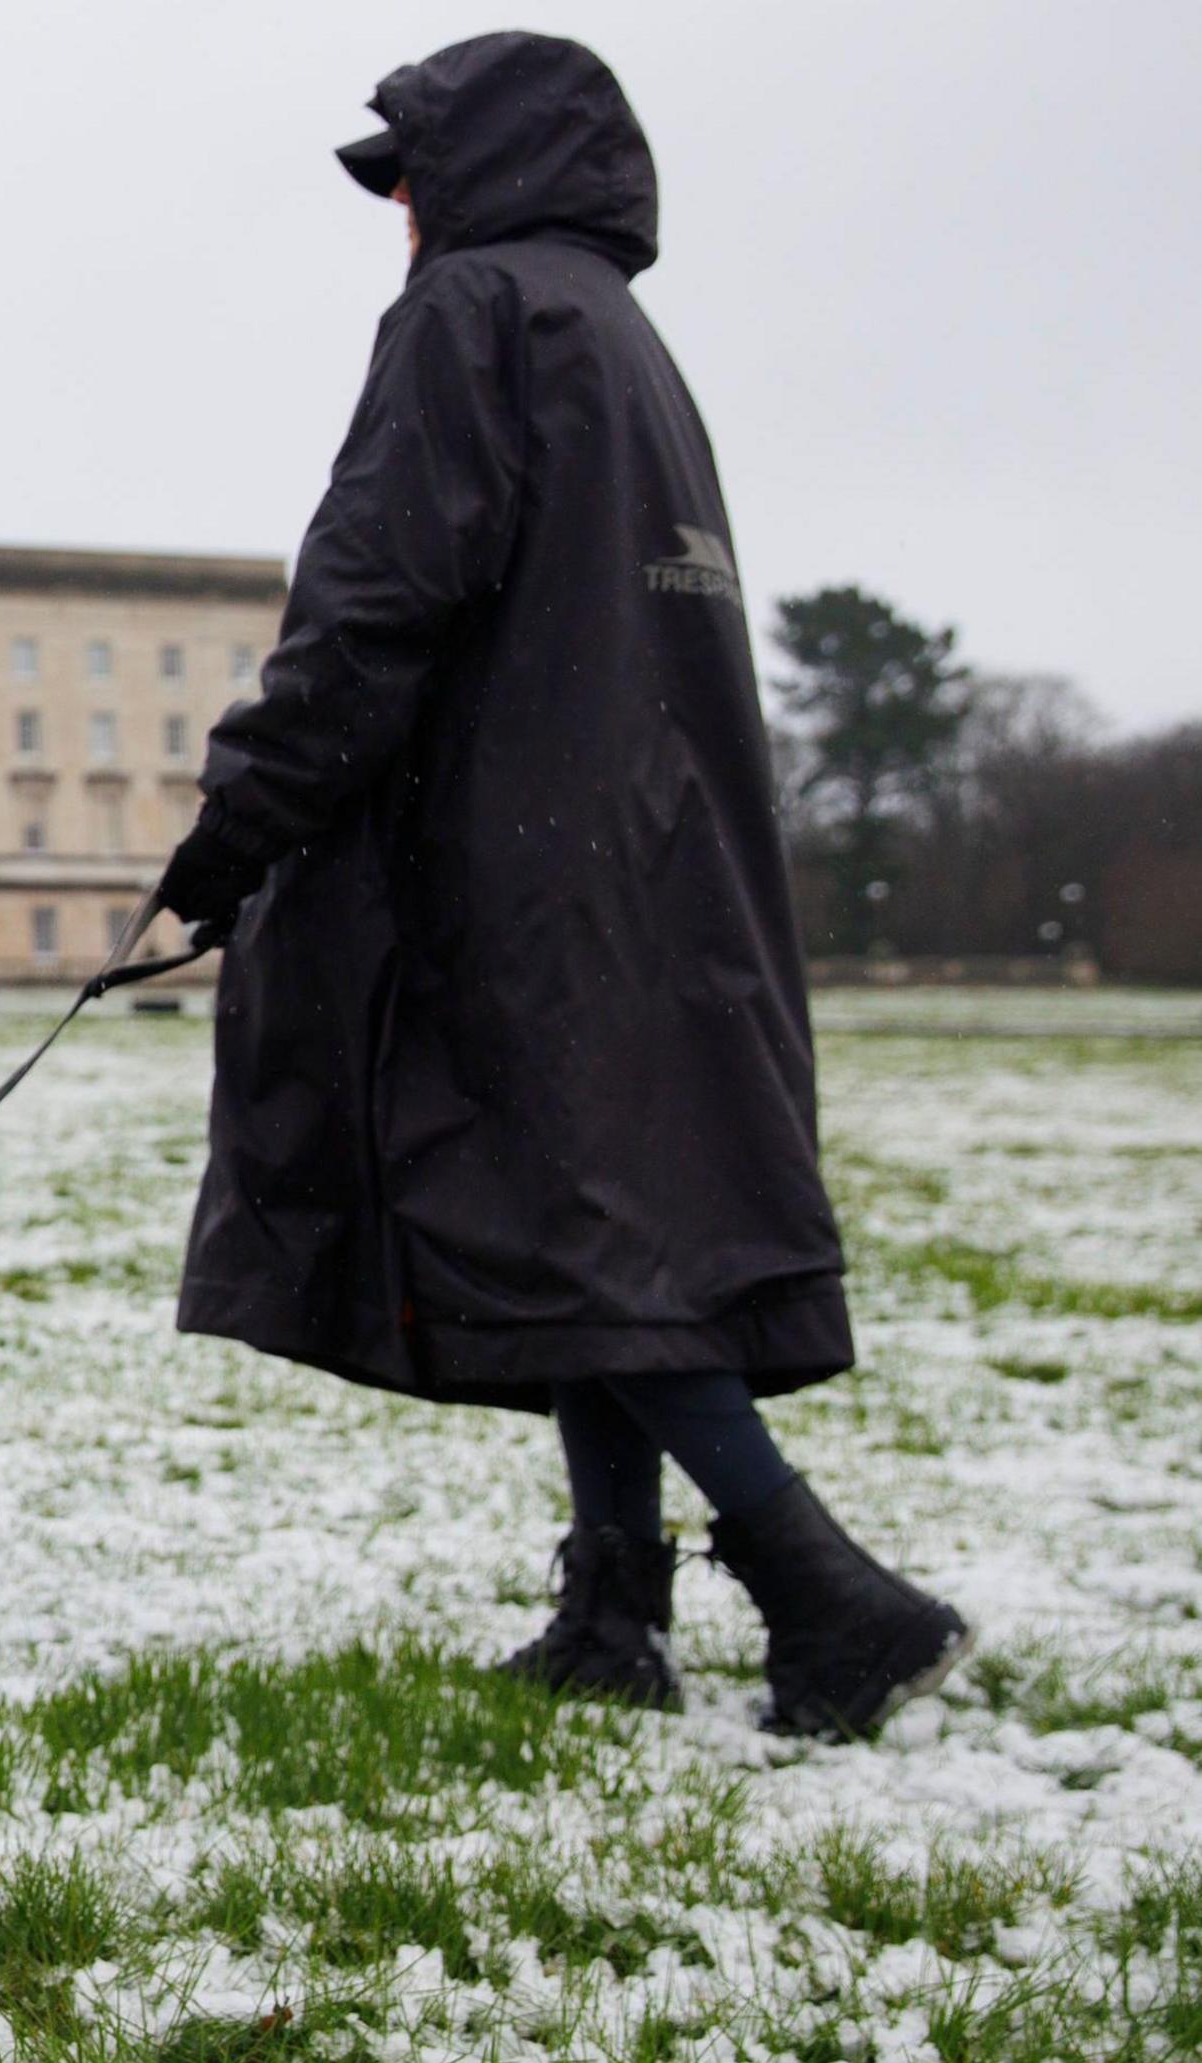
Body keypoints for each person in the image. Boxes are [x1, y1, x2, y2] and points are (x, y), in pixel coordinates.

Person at [150, 31, 968, 1740]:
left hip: (516, 874)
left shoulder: (472, 317)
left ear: (478, 174)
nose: (400, 216)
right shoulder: (622, 339)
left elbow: (377, 598)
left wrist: (243, 823)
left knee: (577, 1219)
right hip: (651, 862)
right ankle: (615, 1608)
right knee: (593, 1223)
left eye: (411, 180)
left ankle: (824, 1587)